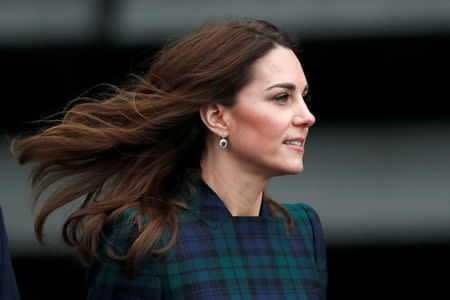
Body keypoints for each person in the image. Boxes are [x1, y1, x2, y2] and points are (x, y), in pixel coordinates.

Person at [12, 19, 327, 299]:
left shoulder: (302, 230)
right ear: (217, 117)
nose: (307, 116)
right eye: (281, 97)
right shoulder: (147, 234)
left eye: (304, 96)